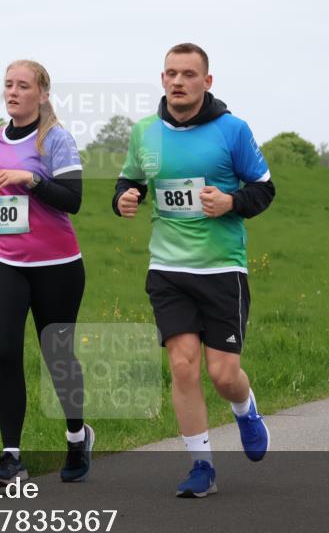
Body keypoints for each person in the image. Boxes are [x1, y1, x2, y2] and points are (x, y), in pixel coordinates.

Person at [112, 43, 275, 497]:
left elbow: (263, 190)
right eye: (170, 73)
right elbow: (130, 179)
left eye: (188, 74)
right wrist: (125, 197)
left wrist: (230, 202)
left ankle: (244, 408)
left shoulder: (232, 130)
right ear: (162, 80)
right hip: (167, 268)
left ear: (207, 81)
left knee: (223, 374)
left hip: (223, 269)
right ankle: (201, 465)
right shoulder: (144, 131)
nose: (178, 81)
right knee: (182, 367)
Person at [0, 59, 94, 485]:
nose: (13, 92)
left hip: (56, 265)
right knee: (5, 352)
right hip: (3, 260)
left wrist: (31, 179)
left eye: (23, 86)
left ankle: (77, 436)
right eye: (8, 85)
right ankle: (11, 457)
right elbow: (3, 201)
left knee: (57, 356)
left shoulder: (56, 139)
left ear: (42, 94)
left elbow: (72, 200)